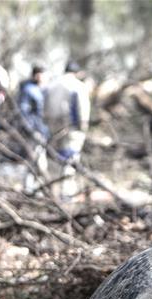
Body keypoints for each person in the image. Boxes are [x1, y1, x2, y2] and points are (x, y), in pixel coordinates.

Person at [43, 61, 91, 197]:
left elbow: (44, 107)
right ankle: (66, 193)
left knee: (57, 159)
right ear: (77, 72)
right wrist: (83, 127)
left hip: (53, 127)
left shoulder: (51, 85)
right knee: (70, 159)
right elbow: (82, 109)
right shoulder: (78, 86)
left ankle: (54, 190)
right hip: (71, 127)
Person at [17, 65, 49, 140]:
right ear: (37, 75)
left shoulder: (39, 89)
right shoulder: (29, 89)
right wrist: (30, 129)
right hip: (32, 129)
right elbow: (24, 110)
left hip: (39, 128)